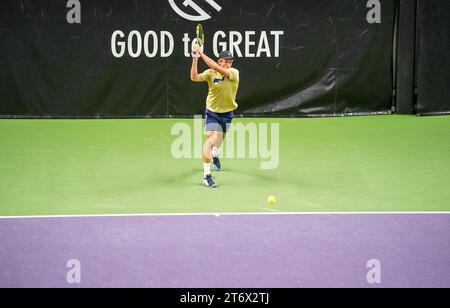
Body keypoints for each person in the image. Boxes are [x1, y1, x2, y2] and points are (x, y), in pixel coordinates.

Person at [190, 46, 240, 188]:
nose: (229, 64)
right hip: (212, 112)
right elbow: (194, 77)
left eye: (231, 61)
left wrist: (200, 53)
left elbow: (213, 65)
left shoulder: (234, 72)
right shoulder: (210, 73)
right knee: (211, 139)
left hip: (228, 112)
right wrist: (195, 59)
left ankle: (215, 155)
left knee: (220, 139)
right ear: (220, 61)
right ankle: (206, 176)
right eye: (226, 61)